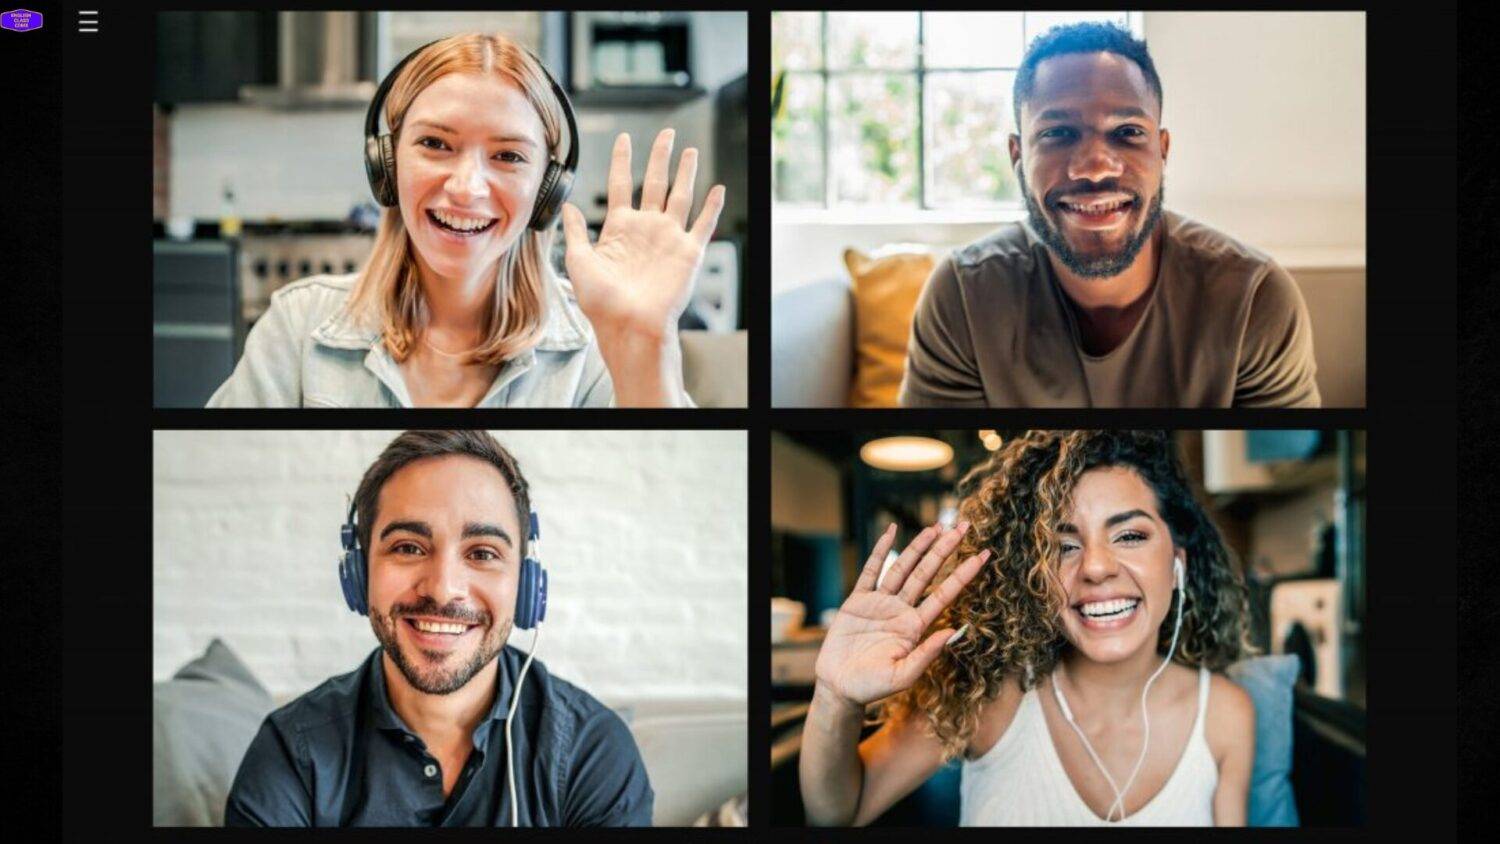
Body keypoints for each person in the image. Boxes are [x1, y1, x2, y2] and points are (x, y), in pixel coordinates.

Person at [207, 32, 725, 407]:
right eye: (435, 144)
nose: (466, 188)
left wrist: (644, 343)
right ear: (385, 164)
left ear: (548, 189)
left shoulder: (594, 344)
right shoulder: (297, 329)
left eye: (508, 156)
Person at [800, 430, 1256, 826]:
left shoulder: (1225, 714)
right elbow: (839, 811)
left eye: (1130, 535)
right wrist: (835, 696)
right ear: (1031, 575)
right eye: (1062, 546)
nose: (1096, 566)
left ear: (1178, 563)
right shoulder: (990, 695)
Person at [224, 430, 653, 826]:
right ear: (358, 574)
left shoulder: (591, 751)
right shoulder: (291, 754)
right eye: (408, 547)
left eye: (482, 553)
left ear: (526, 584)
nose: (444, 589)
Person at [899, 23, 1319, 408]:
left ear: (1163, 150)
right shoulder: (962, 298)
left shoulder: (1254, 299)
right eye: (1058, 133)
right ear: (1018, 156)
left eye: (1128, 133)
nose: (1096, 166)